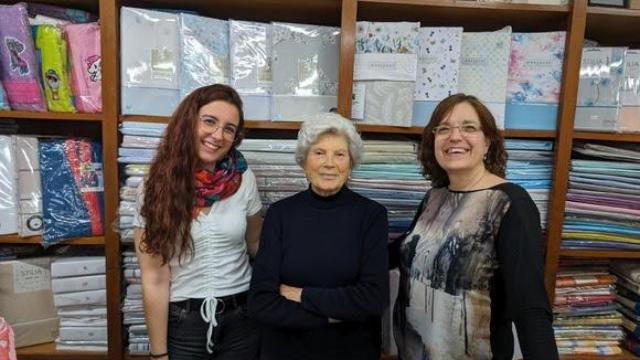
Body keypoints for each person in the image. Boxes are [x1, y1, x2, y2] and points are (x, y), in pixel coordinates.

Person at [390, 94, 558, 359]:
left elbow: (530, 306)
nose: (454, 136)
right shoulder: (434, 197)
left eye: (468, 127)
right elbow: (407, 249)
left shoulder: (509, 203)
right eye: (443, 129)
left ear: (487, 142)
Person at [133, 84, 263, 360]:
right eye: (209, 121)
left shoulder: (243, 178)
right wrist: (158, 354)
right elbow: (154, 278)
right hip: (184, 324)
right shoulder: (156, 184)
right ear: (189, 121)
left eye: (229, 128)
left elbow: (256, 245)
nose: (218, 135)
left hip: (242, 321)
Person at [248, 113, 389, 360]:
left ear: (351, 163)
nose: (329, 163)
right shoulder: (280, 214)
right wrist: (335, 315)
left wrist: (301, 295)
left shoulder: (372, 216)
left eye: (339, 154)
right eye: (319, 153)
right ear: (304, 161)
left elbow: (373, 300)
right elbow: (261, 302)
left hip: (351, 352)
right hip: (285, 351)